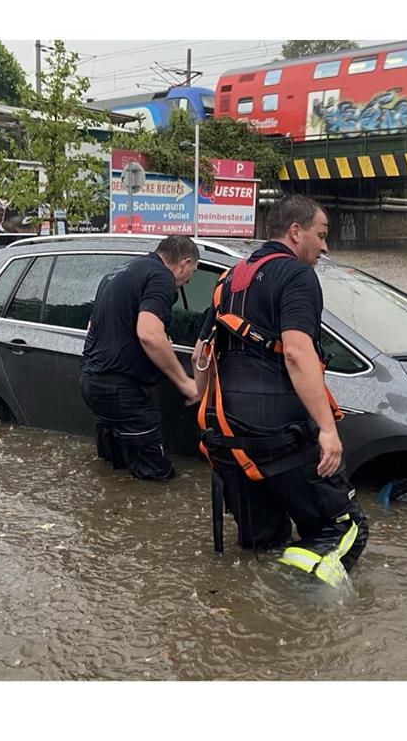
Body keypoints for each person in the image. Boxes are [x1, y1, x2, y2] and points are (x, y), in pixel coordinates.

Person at [193, 194, 368, 588]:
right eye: (321, 235)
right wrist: (326, 428)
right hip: (279, 431)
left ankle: (255, 620)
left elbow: (200, 360)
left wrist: (206, 412)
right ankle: (295, 610)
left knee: (264, 542)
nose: (325, 246)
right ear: (295, 232)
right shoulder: (296, 276)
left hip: (224, 437)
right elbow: (296, 351)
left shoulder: (227, 278)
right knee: (344, 529)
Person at [80, 235, 201, 481]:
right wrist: (185, 382)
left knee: (117, 470)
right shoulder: (161, 277)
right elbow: (148, 333)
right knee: (158, 478)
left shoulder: (118, 273)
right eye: (193, 273)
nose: (187, 282)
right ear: (185, 263)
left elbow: (94, 324)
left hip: (92, 381)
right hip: (123, 389)